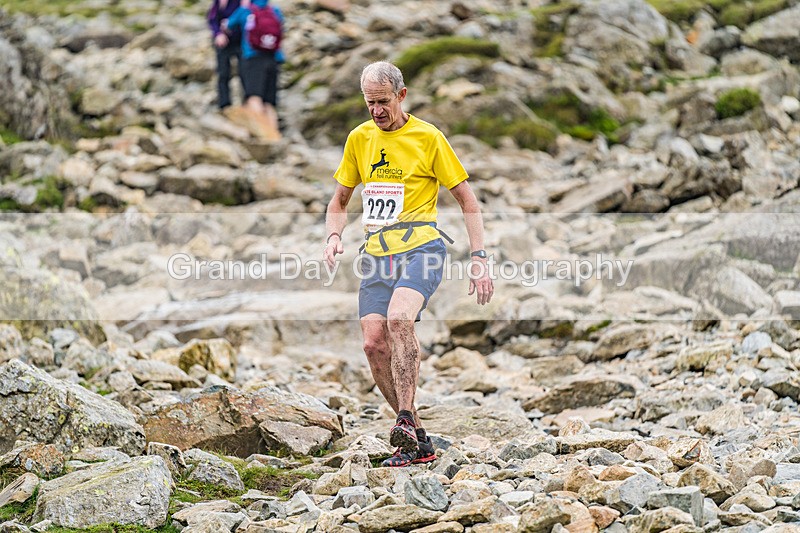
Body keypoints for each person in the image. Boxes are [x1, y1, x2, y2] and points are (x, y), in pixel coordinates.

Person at [323, 61, 494, 467]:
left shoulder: (429, 137)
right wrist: (333, 236)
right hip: (377, 256)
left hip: (423, 249)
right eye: (369, 104)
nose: (377, 111)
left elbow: (468, 202)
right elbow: (339, 202)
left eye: (383, 102)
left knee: (400, 319)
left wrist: (480, 258)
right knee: (372, 343)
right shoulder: (359, 139)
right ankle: (415, 435)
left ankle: (401, 418)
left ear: (402, 95)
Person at [225, 0, 284, 140]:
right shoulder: (274, 10)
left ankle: (263, 136)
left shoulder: (246, 10)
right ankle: (276, 137)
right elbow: (281, 31)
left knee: (254, 98)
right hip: (273, 59)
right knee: (269, 102)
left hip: (253, 58)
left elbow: (228, 25)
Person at [207, 0, 244, 110]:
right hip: (223, 43)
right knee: (223, 73)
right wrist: (218, 34)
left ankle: (246, 102)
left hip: (240, 42)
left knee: (244, 72)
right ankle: (224, 104)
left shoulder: (241, 2)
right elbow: (212, 19)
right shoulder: (219, 2)